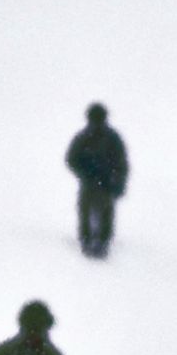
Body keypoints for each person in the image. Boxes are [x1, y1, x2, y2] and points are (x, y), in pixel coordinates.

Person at [65, 103, 128, 257]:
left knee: (105, 211)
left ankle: (102, 242)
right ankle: (87, 240)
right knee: (86, 210)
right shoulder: (84, 137)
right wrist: (85, 173)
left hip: (106, 182)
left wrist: (118, 182)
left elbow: (121, 163)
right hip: (89, 182)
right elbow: (71, 159)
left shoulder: (112, 139)